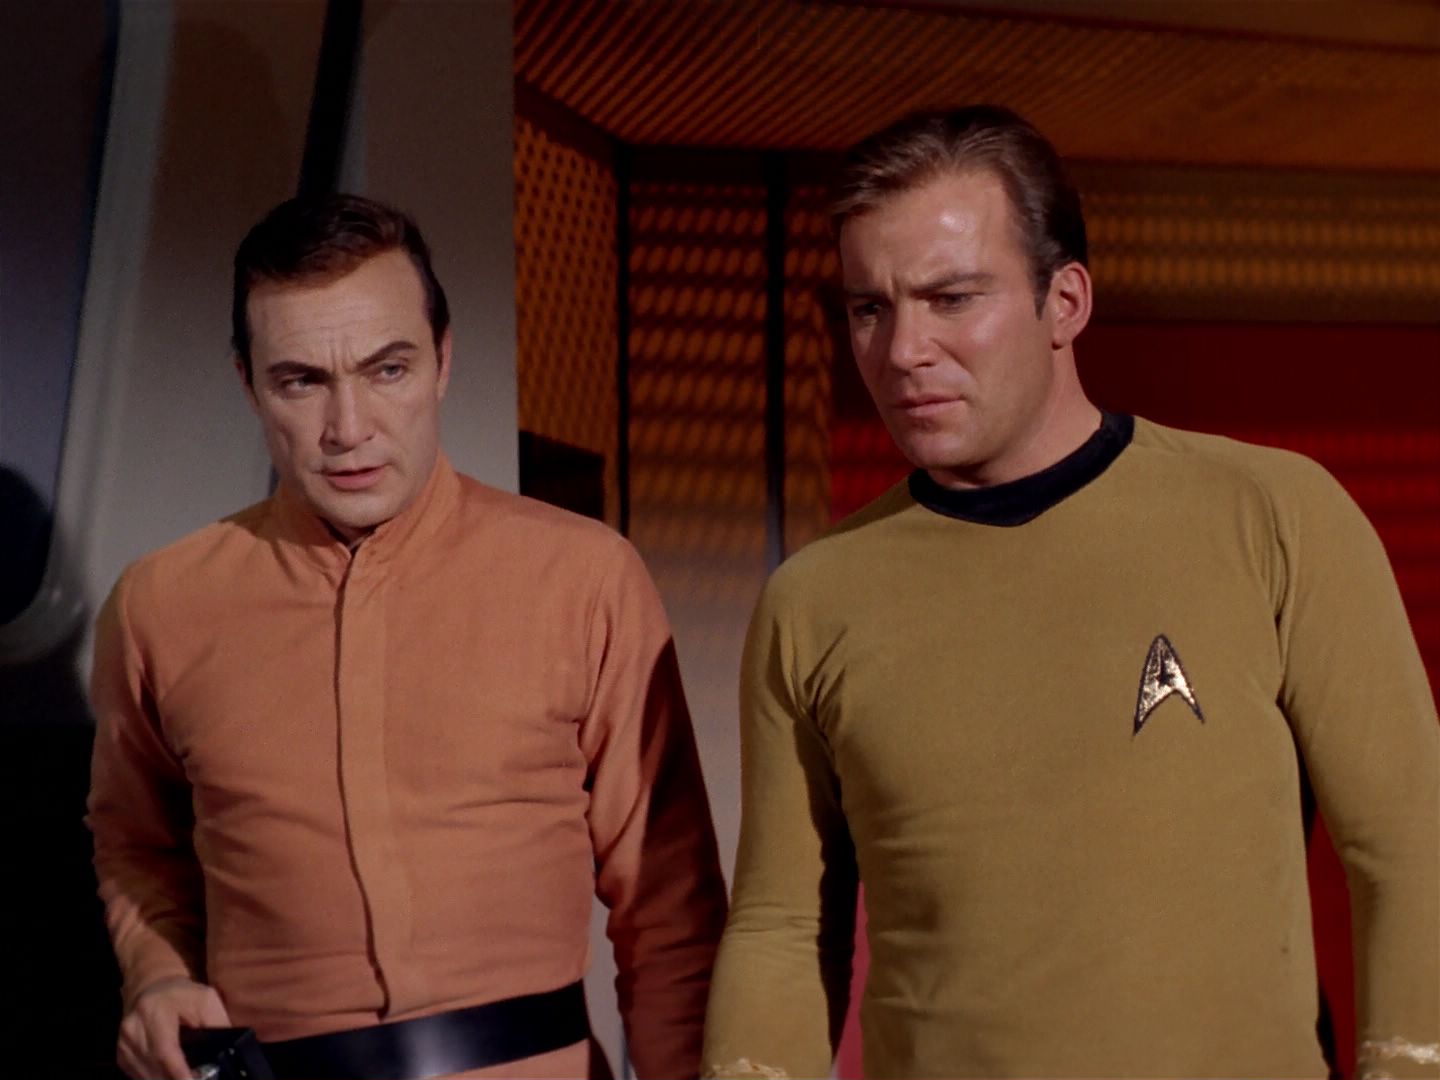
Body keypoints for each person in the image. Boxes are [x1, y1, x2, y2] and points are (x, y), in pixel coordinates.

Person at [701, 106, 1439, 1079]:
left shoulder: (1273, 515)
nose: (902, 349)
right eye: (869, 308)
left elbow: (1410, 851)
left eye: (951, 298)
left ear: (1066, 301)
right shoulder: (812, 600)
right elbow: (782, 927)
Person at [87, 194, 728, 1080]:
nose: (348, 429)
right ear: (248, 384)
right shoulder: (161, 603)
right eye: (301, 381)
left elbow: (670, 911)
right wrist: (157, 974)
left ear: (442, 362)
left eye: (386, 369)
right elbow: (135, 842)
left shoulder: (583, 577)